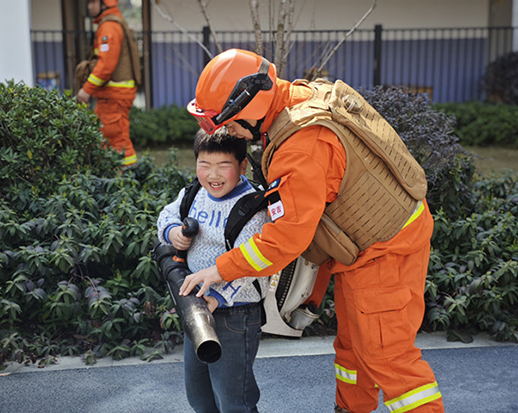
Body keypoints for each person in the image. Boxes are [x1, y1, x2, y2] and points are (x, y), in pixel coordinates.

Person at [179, 49, 445, 413]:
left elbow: (286, 238)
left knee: (387, 355)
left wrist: (220, 270)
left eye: (230, 122)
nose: (228, 132)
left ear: (251, 107)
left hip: (387, 250)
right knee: (353, 346)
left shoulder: (301, 149)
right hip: (366, 245)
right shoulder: (298, 98)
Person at [157, 128, 271, 413]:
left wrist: (218, 297)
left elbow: (252, 264)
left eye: (223, 165)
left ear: (243, 166)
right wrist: (173, 232)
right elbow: (167, 215)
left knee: (233, 401)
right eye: (204, 164)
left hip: (235, 314)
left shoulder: (254, 207)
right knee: (199, 396)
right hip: (196, 307)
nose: (213, 175)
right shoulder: (194, 192)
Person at [76, 0, 139, 166]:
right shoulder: (112, 23)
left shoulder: (109, 26)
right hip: (112, 95)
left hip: (114, 95)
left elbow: (106, 66)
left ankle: (128, 176)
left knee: (117, 141)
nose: (89, 7)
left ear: (105, 3)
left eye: (93, 2)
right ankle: (113, 175)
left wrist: (86, 90)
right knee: (105, 138)